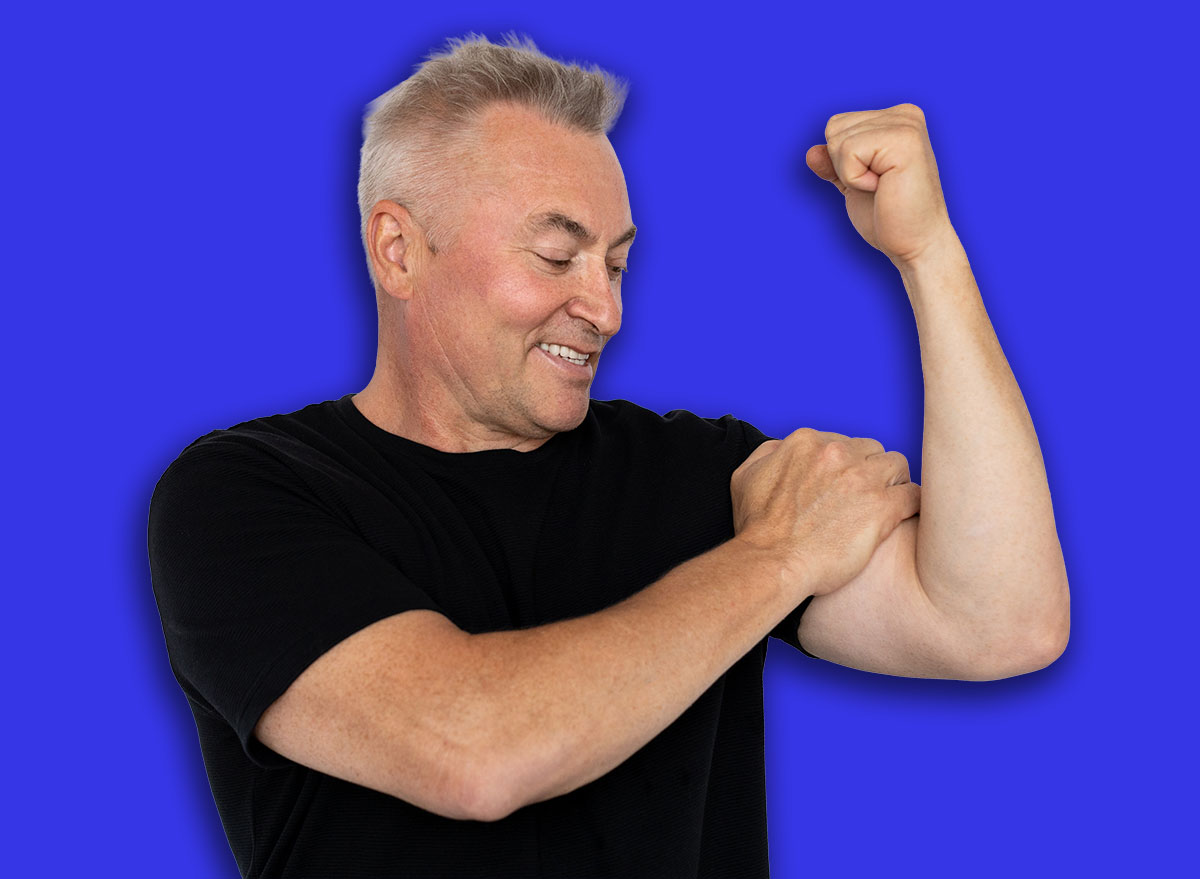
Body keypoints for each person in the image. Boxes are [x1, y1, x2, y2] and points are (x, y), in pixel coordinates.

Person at [148, 34, 1070, 879]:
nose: (607, 310)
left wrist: (928, 254)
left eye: (617, 263)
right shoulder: (242, 496)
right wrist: (777, 557)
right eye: (558, 257)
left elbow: (1001, 623)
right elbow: (472, 751)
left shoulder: (703, 474)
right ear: (398, 249)